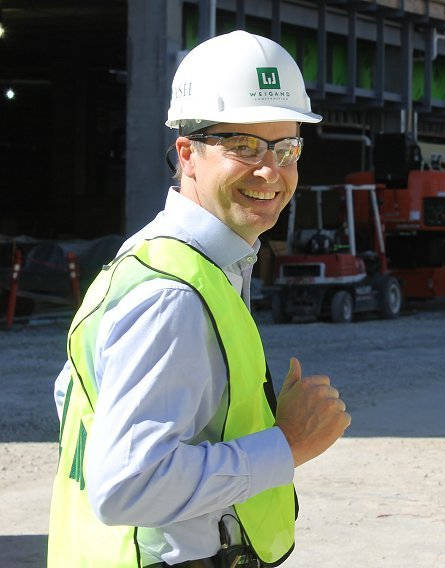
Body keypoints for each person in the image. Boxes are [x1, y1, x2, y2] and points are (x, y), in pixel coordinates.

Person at [48, 31, 350, 567]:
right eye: (243, 147)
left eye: (286, 149)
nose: (270, 171)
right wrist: (288, 444)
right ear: (188, 154)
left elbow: (80, 400)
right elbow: (126, 487)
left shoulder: (155, 259)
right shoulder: (172, 294)